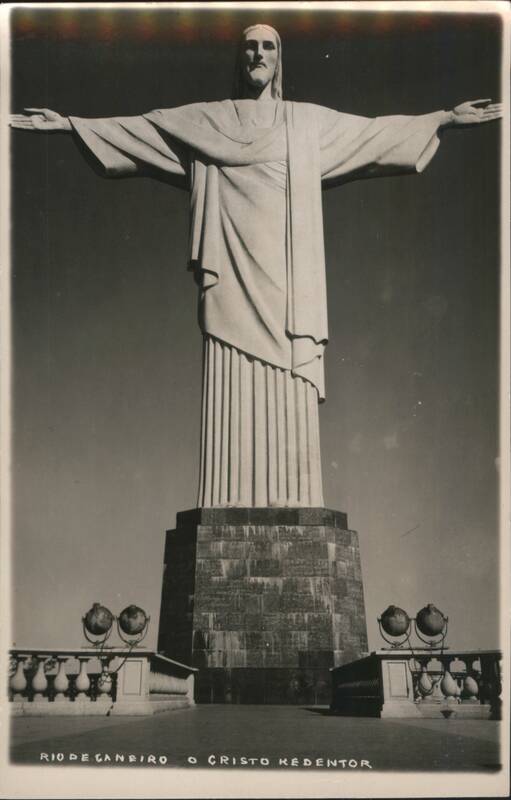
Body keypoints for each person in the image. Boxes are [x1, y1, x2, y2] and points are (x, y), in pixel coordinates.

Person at [10, 24, 502, 509]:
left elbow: (371, 135)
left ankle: (296, 499)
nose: (258, 54)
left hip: (287, 275)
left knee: (289, 378)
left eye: (268, 46)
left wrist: (443, 118)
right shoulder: (206, 121)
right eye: (249, 46)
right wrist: (70, 124)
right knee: (231, 375)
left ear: (279, 58)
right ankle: (227, 498)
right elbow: (143, 130)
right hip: (230, 266)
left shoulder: (306, 123)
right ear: (238, 58)